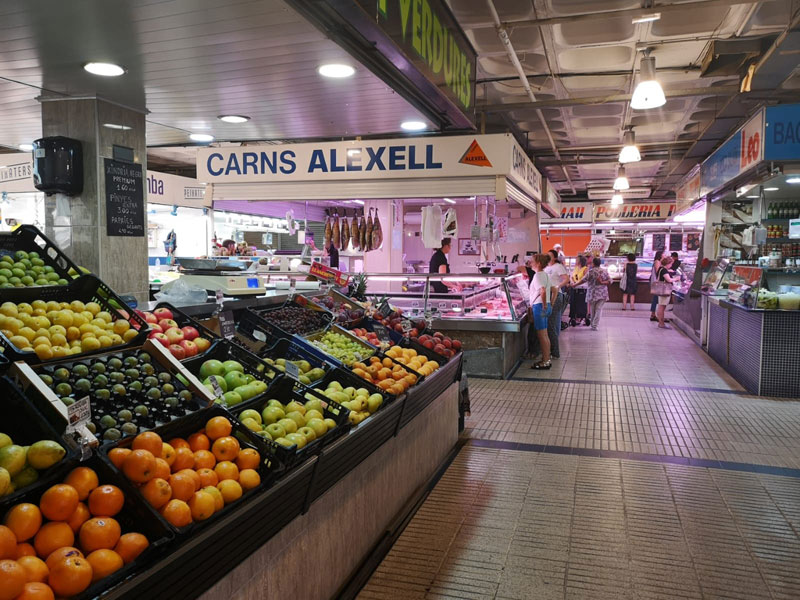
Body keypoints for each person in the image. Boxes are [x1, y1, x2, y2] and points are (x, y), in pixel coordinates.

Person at [529, 253, 554, 369]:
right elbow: (553, 289)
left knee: (542, 335)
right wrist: (548, 304)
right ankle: (547, 358)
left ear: (538, 263)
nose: (530, 263)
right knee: (545, 335)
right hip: (544, 305)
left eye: (532, 261)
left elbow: (542, 291)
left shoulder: (538, 275)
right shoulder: (544, 274)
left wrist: (543, 305)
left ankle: (545, 361)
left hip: (540, 306)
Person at [572, 257, 610, 330]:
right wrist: (602, 282)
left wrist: (575, 285)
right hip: (603, 293)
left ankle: (593, 324)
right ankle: (595, 325)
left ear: (593, 263)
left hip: (592, 293)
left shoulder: (591, 272)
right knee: (599, 309)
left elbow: (583, 280)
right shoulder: (604, 271)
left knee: (592, 309)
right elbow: (610, 281)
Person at [545, 249, 569, 358]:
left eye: (550, 256)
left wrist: (558, 286)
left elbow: (566, 279)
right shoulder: (545, 267)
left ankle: (554, 352)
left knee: (551, 325)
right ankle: (548, 350)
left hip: (556, 296)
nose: (548, 257)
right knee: (550, 325)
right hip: (546, 296)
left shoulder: (558, 267)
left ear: (555, 258)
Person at [654, 256, 676, 329]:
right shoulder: (664, 270)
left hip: (661, 290)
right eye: (671, 264)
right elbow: (669, 280)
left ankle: (661, 323)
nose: (671, 265)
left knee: (661, 306)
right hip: (664, 290)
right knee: (662, 307)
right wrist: (677, 278)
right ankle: (661, 323)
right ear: (668, 263)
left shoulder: (661, 269)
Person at [569, 254, 590, 326]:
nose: (575, 261)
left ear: (580, 261)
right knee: (574, 304)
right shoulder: (576, 268)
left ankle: (582, 317)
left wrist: (576, 284)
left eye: (577, 260)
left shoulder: (585, 269)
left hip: (582, 288)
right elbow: (571, 276)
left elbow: (585, 279)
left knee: (582, 304)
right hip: (574, 288)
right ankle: (575, 317)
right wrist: (572, 282)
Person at [649, 250, 664, 322]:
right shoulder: (657, 261)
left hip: (657, 282)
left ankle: (654, 314)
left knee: (656, 298)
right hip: (656, 283)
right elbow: (658, 272)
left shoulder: (659, 262)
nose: (665, 255)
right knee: (656, 298)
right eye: (663, 254)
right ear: (660, 255)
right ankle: (653, 314)